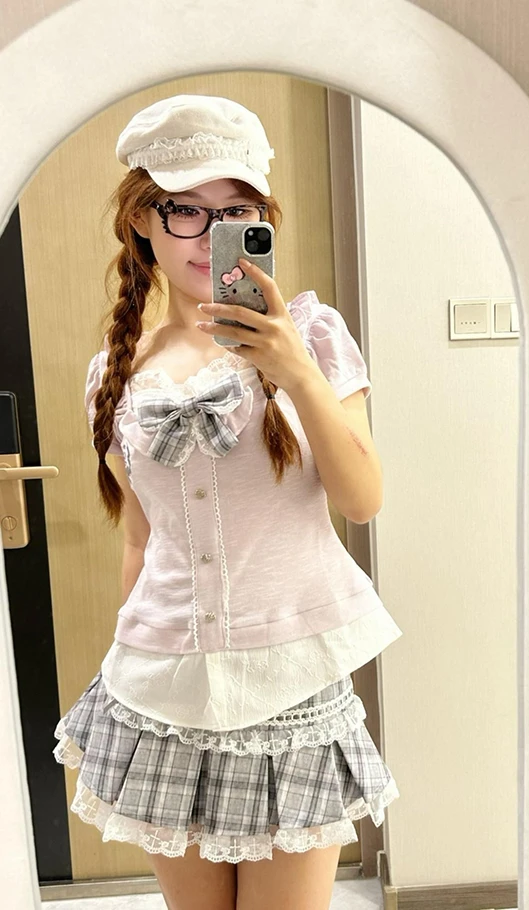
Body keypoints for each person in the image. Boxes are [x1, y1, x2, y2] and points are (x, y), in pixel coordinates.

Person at [52, 93, 403, 910]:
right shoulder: (115, 372)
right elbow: (140, 539)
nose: (211, 233)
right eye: (186, 210)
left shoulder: (314, 336)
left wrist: (294, 371)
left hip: (290, 685)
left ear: (261, 221)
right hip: (160, 690)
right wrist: (130, 644)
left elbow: (362, 499)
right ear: (142, 220)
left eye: (236, 211)